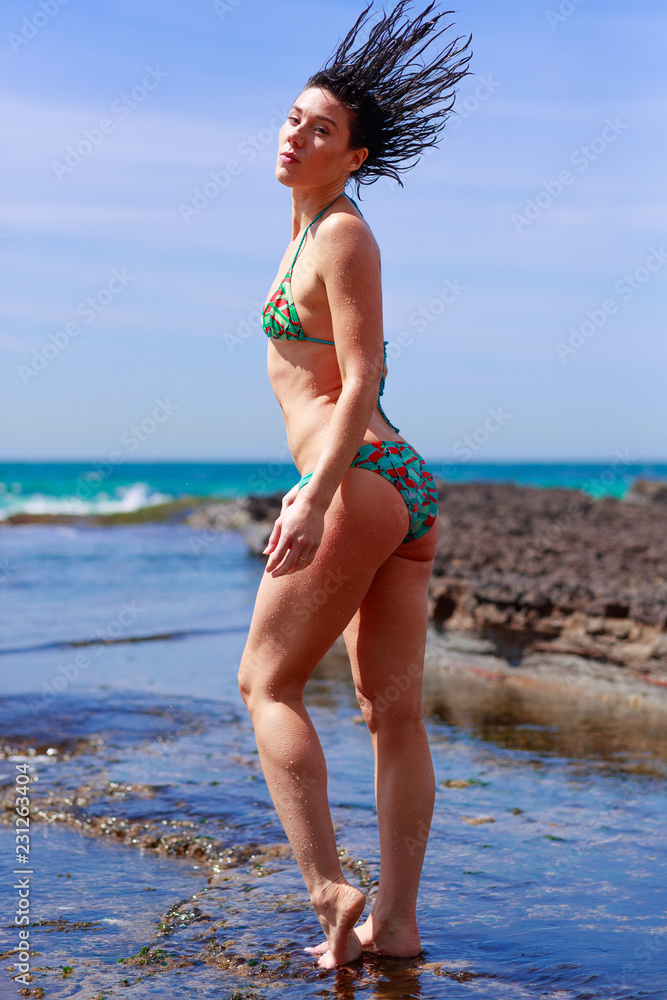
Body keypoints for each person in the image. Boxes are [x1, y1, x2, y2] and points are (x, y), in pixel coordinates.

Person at [238, 0, 471, 969]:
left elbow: (362, 376)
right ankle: (400, 926)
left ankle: (332, 889)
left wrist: (315, 493)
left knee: (266, 681)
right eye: (294, 117)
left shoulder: (340, 235)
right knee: (391, 710)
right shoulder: (309, 229)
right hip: (399, 485)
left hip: (361, 474)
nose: (296, 133)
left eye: (321, 128)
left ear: (355, 157)